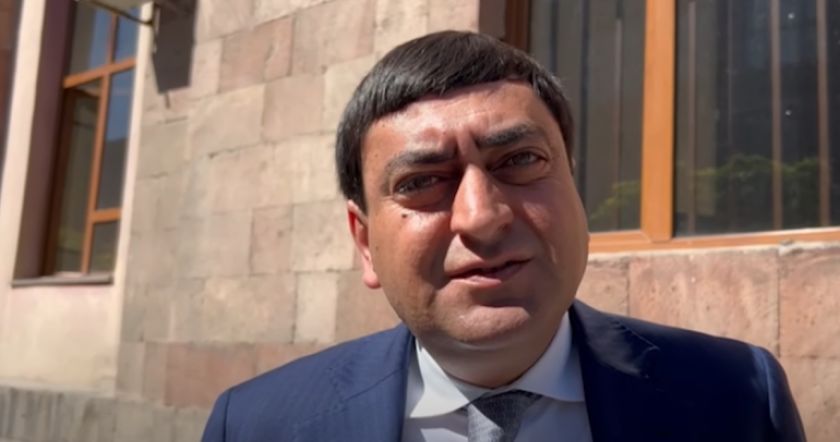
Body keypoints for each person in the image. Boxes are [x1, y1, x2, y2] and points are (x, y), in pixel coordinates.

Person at [202, 31, 805, 442]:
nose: (480, 217)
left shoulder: (739, 397)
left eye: (519, 161)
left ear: (575, 191)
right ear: (364, 243)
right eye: (421, 182)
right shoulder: (256, 426)